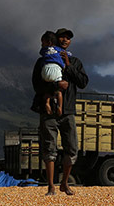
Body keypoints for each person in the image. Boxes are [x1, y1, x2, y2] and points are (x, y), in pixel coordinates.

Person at [31, 27, 89, 196]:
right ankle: (50, 186)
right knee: (49, 148)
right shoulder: (43, 60)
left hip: (68, 110)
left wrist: (68, 66)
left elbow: (83, 82)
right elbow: (36, 85)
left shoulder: (76, 61)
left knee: (72, 148)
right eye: (61, 37)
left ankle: (64, 183)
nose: (64, 40)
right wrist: (56, 86)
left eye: (68, 38)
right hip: (47, 111)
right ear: (55, 40)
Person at [39, 30, 65, 116]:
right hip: (56, 70)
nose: (42, 45)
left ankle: (47, 102)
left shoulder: (43, 50)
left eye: (42, 43)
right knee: (59, 92)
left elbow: (42, 54)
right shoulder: (59, 50)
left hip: (45, 70)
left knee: (46, 91)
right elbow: (68, 54)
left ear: (48, 42)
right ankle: (60, 106)